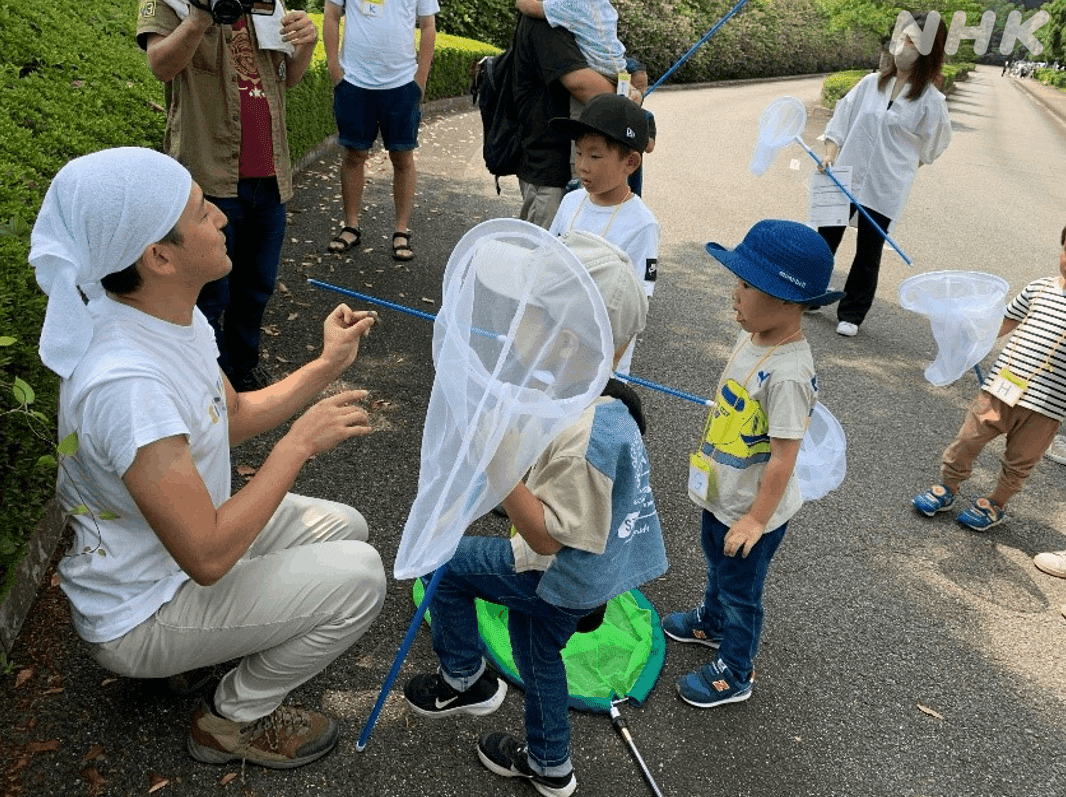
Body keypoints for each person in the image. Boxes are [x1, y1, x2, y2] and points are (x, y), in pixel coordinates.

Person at [30, 148, 387, 768]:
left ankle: (193, 659)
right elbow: (208, 555)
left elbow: (230, 418)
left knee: (346, 527)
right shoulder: (126, 385)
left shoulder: (169, 314)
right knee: (360, 578)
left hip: (175, 555)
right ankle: (231, 721)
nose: (221, 217)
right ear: (158, 256)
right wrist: (298, 444)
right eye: (200, 211)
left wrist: (326, 365)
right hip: (141, 607)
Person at [402, 232, 667, 797]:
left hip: (560, 572)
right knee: (535, 649)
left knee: (444, 563)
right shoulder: (586, 395)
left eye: (530, 312)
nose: (513, 318)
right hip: (587, 570)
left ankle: (464, 678)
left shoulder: (588, 434)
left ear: (567, 340)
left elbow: (545, 538)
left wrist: (500, 469)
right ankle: (551, 766)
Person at [662, 220, 843, 708]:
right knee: (717, 565)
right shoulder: (758, 333)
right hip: (725, 491)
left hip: (752, 509)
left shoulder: (788, 374)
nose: (734, 292)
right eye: (737, 280)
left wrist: (756, 519)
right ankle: (711, 621)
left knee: (742, 591)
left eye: (747, 284)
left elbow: (785, 457)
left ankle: (736, 671)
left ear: (786, 299)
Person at [137, 1, 319, 391]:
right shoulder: (176, 2)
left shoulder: (267, 5)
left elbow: (287, 78)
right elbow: (160, 65)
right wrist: (201, 18)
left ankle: (243, 366)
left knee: (256, 286)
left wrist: (306, 45)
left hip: (270, 178)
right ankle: (206, 379)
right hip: (208, 179)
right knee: (207, 294)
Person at [912, 223, 1066, 531]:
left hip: (1047, 407)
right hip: (1000, 388)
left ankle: (996, 502)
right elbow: (1005, 320)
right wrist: (973, 337)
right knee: (967, 439)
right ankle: (948, 486)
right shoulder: (1039, 288)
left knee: (1020, 461)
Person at [817, 11, 952, 337]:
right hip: (846, 172)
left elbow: (934, 144)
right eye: (901, 37)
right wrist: (830, 154)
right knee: (824, 238)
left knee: (868, 250)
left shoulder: (930, 101)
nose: (902, 46)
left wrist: (903, 169)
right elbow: (842, 118)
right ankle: (808, 294)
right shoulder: (869, 84)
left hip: (886, 186)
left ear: (927, 49)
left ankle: (852, 312)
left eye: (911, 41)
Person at [548, 93, 659, 375]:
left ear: (631, 162)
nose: (582, 164)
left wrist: (609, 366)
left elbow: (636, 307)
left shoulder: (642, 225)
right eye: (579, 152)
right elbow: (547, 261)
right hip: (551, 344)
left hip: (598, 360)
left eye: (595, 156)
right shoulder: (571, 202)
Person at [323, 0, 438, 261]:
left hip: (402, 83)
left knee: (402, 158)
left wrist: (420, 78)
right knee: (354, 155)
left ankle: (401, 230)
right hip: (353, 81)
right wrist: (334, 68)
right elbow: (331, 14)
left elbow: (428, 25)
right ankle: (351, 226)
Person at [511, 12, 623, 228]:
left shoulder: (575, 16)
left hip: (569, 164)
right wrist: (627, 95)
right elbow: (582, 85)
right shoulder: (545, 21)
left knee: (574, 249)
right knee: (544, 252)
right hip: (549, 169)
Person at [515, 0, 626, 80]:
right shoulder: (604, 5)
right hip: (620, 70)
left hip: (599, 72)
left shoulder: (571, 4)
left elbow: (532, 8)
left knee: (583, 111)